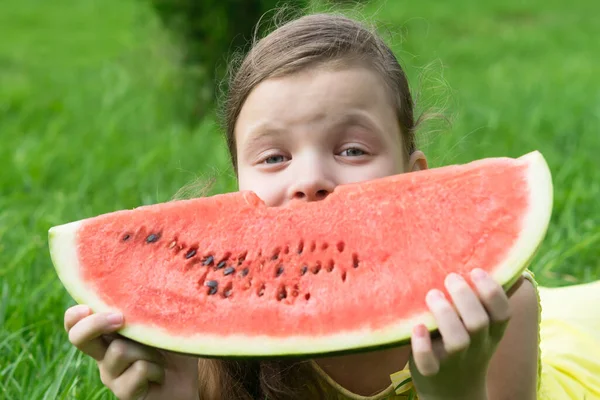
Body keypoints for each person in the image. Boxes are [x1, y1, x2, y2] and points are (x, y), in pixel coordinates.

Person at [63, 12, 600, 400]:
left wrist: (456, 391)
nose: (310, 179)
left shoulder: (495, 305)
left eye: (351, 150)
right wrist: (175, 393)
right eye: (274, 157)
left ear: (416, 178)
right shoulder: (207, 318)